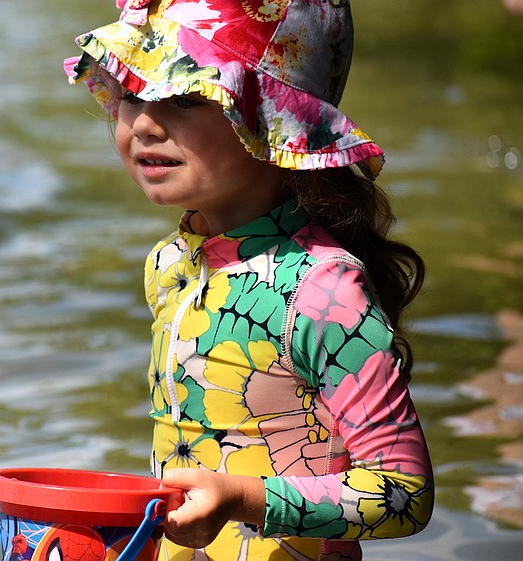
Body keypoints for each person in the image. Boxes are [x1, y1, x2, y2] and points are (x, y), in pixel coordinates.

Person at [64, 1, 434, 561]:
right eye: (134, 93)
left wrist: (239, 497)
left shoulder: (322, 290)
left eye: (186, 98)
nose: (142, 123)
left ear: (272, 123)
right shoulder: (172, 265)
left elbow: (406, 492)